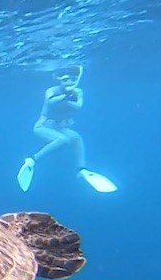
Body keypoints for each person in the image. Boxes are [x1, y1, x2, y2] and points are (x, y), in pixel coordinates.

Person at [16, 65, 117, 193]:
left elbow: (78, 106)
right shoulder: (51, 90)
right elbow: (50, 101)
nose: (69, 82)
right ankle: (32, 160)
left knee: (76, 138)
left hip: (59, 127)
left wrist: (69, 96)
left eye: (73, 79)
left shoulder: (78, 92)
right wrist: (65, 96)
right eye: (65, 80)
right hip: (42, 126)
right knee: (62, 140)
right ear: (60, 80)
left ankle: (81, 169)